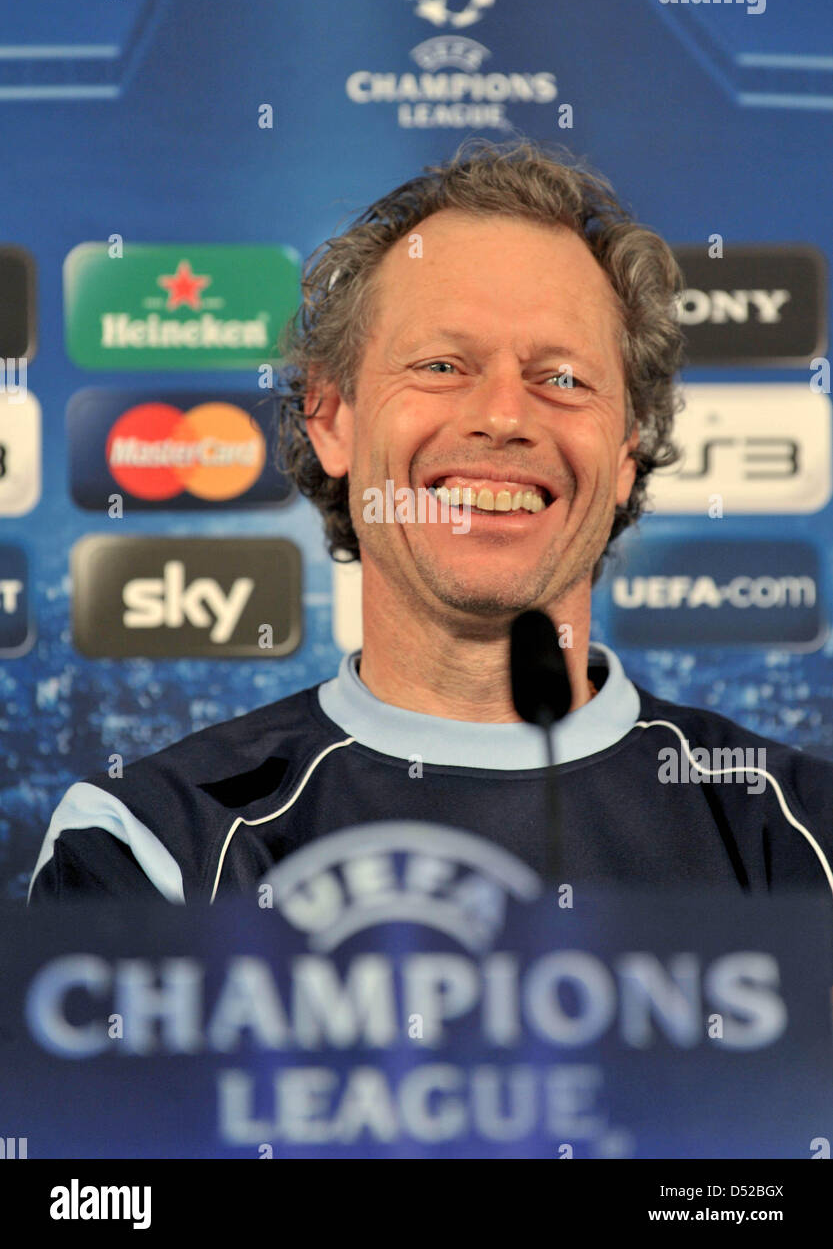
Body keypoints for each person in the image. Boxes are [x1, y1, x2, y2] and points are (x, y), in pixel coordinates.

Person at [29, 138, 833, 903]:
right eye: (441, 366)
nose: (502, 416)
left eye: (562, 377)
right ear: (331, 415)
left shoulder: (803, 833)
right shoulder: (150, 842)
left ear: (626, 449)